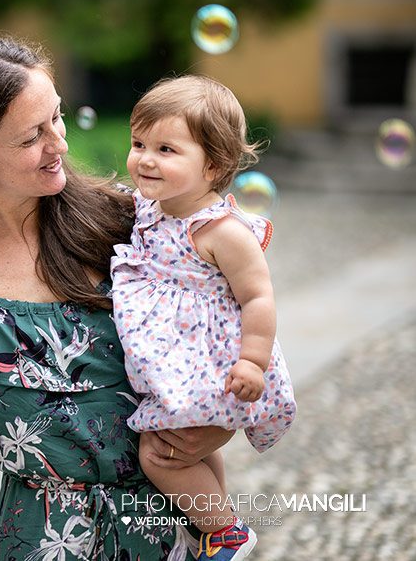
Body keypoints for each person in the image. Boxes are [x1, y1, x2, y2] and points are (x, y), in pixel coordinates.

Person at [0, 37, 232, 561]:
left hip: (167, 527)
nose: (58, 143)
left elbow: (225, 330)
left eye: (56, 117)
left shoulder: (132, 223)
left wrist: (218, 427)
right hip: (40, 538)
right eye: (31, 136)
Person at [110, 75, 297, 560]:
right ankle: (207, 525)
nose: (145, 159)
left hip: (215, 369)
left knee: (159, 454)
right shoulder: (152, 207)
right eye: (138, 144)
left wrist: (252, 362)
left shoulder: (222, 231)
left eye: (166, 150)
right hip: (180, 367)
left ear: (212, 165)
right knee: (193, 449)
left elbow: (258, 297)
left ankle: (226, 531)